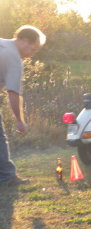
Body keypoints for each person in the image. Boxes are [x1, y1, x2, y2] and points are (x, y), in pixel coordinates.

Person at [0, 25, 46, 185]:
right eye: (33, 49)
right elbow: (13, 92)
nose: (31, 54)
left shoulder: (2, 43)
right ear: (25, 41)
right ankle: (6, 176)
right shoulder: (14, 57)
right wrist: (19, 120)